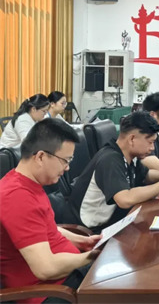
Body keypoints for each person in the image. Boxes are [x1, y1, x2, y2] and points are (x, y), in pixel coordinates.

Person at [0, 119, 101, 302]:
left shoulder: (29, 183)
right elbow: (45, 269)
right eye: (65, 160)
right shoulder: (17, 197)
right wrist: (91, 257)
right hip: (50, 292)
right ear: (40, 157)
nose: (67, 168)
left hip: (64, 278)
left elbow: (46, 229)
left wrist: (83, 241)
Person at [67, 112, 159, 232]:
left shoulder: (130, 155)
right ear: (132, 139)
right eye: (150, 142)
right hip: (88, 230)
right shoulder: (110, 159)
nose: (152, 148)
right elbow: (124, 199)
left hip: (114, 219)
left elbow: (145, 175)